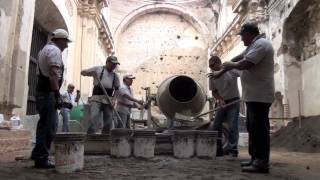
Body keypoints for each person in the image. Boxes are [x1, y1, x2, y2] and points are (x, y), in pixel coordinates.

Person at [213, 22, 275, 173]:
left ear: (249, 34)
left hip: (260, 94)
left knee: (259, 129)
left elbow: (245, 64)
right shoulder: (253, 46)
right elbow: (240, 56)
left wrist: (229, 66)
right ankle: (255, 158)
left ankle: (261, 162)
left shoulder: (261, 44)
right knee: (253, 127)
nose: (241, 39)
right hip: (254, 95)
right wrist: (223, 68)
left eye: (242, 36)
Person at [31, 29, 71, 168]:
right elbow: (54, 74)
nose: (66, 45)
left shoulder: (44, 49)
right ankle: (42, 158)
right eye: (65, 41)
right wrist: (57, 95)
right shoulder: (54, 51)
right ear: (59, 39)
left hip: (43, 91)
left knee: (43, 124)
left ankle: (37, 153)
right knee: (49, 126)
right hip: (48, 92)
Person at [208, 55, 241, 160]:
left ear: (219, 63)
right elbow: (214, 91)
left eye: (213, 65)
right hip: (222, 102)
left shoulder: (230, 70)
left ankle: (233, 151)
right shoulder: (212, 76)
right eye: (210, 66)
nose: (212, 68)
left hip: (234, 101)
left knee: (232, 126)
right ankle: (218, 150)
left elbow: (243, 74)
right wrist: (220, 99)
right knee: (215, 126)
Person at [81, 56, 120, 134]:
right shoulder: (98, 69)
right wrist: (91, 73)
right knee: (94, 117)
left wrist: (114, 99)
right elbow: (82, 72)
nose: (114, 66)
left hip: (108, 99)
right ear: (107, 62)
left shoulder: (115, 76)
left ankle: (105, 137)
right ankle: (90, 136)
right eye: (113, 64)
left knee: (108, 120)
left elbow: (117, 89)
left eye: (115, 64)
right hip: (96, 98)